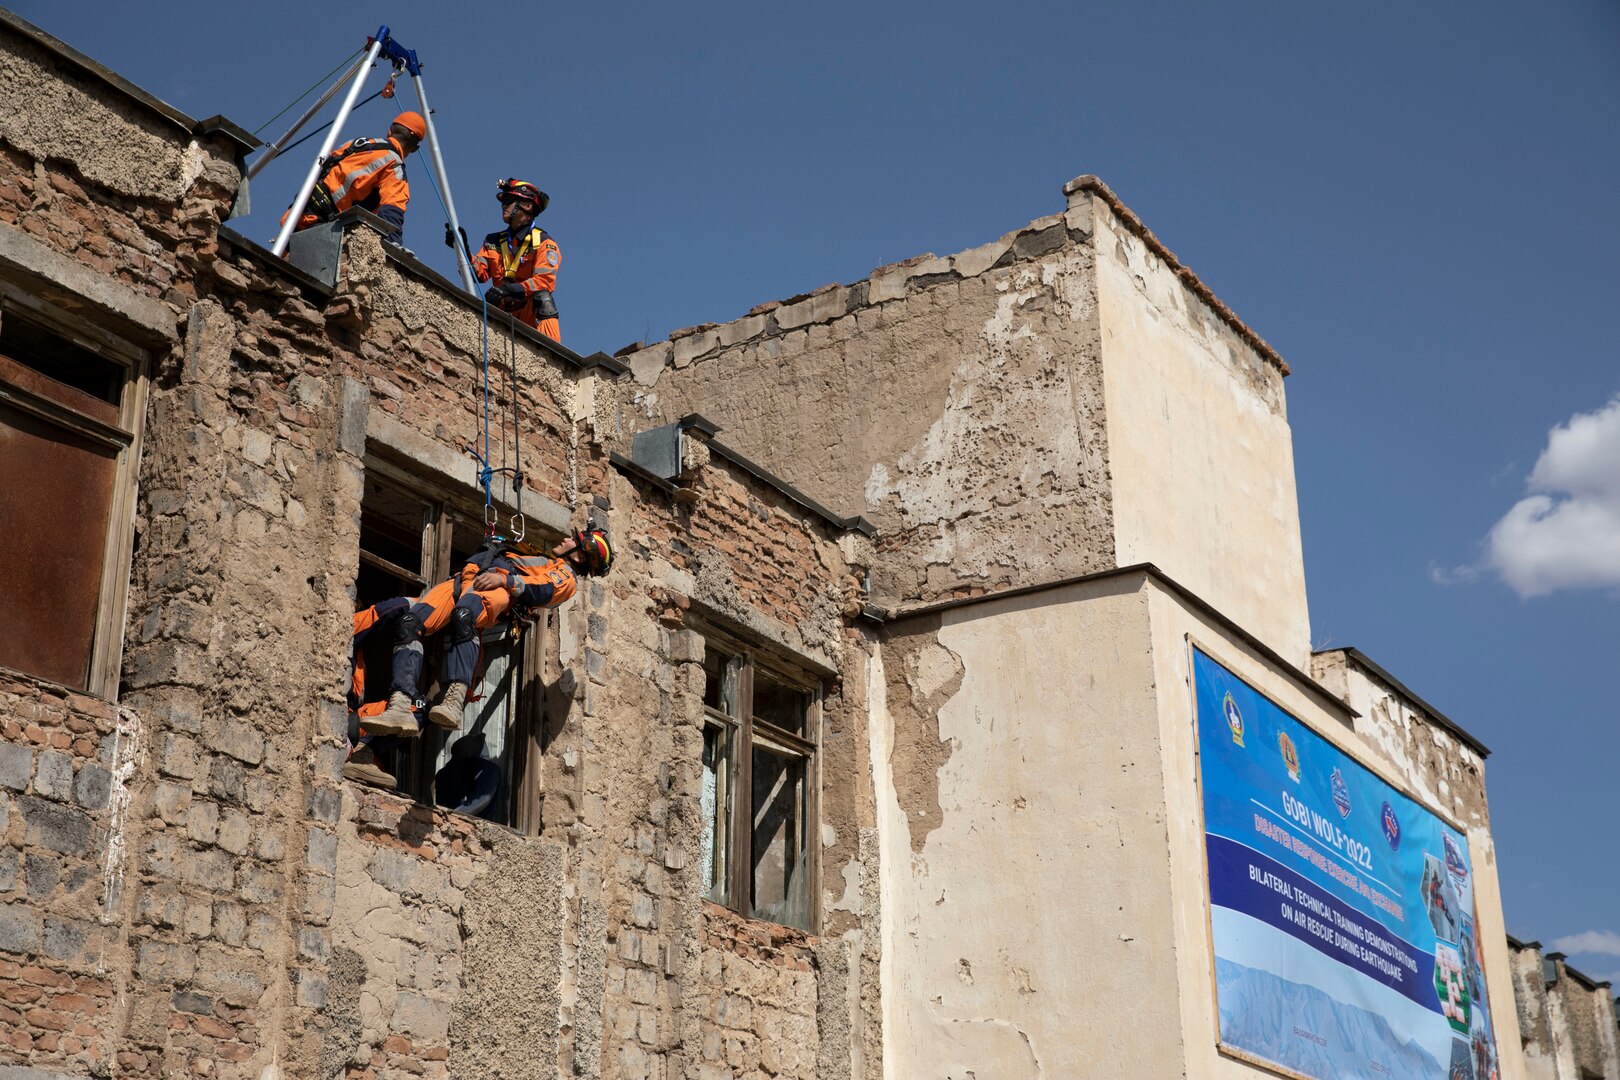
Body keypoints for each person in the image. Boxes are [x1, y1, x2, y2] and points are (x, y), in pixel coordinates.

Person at [371, 528, 613, 733]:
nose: (565, 539)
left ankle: (454, 700)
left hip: (496, 586)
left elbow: (542, 589)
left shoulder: (564, 576)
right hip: (467, 579)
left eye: (573, 540)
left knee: (464, 616)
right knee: (409, 624)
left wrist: (505, 581)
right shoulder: (544, 558)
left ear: (580, 556)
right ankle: (400, 704)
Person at [285, 111, 426, 245]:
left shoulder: (358, 143)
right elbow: (392, 211)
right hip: (322, 226)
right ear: (414, 149)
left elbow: (325, 166)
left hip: (298, 214)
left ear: (389, 131)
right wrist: (392, 246)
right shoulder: (395, 168)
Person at [471, 178, 562, 341]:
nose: (503, 205)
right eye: (503, 201)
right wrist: (461, 248)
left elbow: (545, 282)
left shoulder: (543, 242)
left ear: (527, 206)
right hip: (500, 308)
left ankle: (551, 356)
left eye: (509, 200)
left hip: (528, 313)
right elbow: (477, 275)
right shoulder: (493, 241)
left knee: (544, 299)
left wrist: (511, 289)